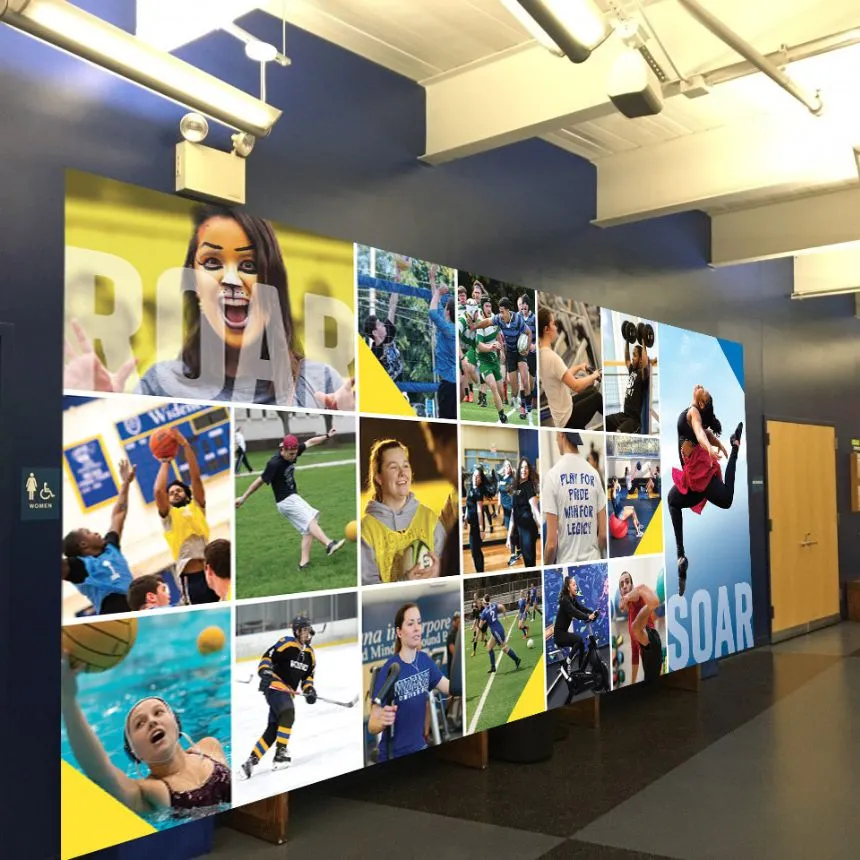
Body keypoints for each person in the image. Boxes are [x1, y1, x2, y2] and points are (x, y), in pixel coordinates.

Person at [65, 206, 353, 409]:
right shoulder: (160, 384)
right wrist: (104, 409)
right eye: (212, 262)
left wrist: (346, 416)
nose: (231, 280)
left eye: (249, 265)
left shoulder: (320, 382)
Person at [62, 657, 230, 813]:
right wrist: (68, 699)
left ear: (176, 724)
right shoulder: (150, 792)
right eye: (139, 724)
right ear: (134, 753)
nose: (151, 721)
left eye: (158, 712)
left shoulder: (210, 747)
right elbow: (99, 771)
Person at [668, 385, 743, 596]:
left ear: (701, 403)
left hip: (700, 474)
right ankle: (681, 557)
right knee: (672, 500)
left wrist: (712, 447)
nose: (701, 387)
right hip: (693, 476)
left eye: (705, 392)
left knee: (727, 499)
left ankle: (736, 446)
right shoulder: (695, 413)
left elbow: (701, 432)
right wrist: (717, 444)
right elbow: (705, 432)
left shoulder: (693, 412)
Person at [236, 430, 345, 571]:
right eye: (291, 454)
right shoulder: (274, 463)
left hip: (292, 497)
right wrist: (243, 497)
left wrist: (327, 436)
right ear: (283, 450)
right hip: (286, 500)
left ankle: (304, 564)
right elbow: (259, 481)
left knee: (308, 529)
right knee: (310, 520)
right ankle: (329, 544)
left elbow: (310, 442)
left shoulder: (294, 450)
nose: (293, 456)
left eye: (295, 453)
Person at [368, 603, 450, 762]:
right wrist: (382, 722)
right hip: (393, 755)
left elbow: (449, 687)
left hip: (420, 747)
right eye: (410, 624)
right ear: (399, 632)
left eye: (419, 622)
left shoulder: (425, 661)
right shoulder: (390, 669)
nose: (417, 628)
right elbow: (372, 725)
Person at [240, 615, 317, 778]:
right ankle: (281, 753)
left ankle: (251, 761)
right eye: (304, 630)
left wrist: (310, 690)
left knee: (274, 729)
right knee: (288, 712)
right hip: (275, 685)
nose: (307, 633)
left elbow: (308, 677)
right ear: (296, 631)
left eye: (308, 630)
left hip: (288, 693)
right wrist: (265, 671)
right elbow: (267, 657)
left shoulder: (310, 654)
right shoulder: (286, 643)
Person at [361, 439, 446, 584]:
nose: (402, 473)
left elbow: (449, 569)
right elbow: (369, 588)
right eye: (393, 467)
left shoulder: (429, 518)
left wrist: (440, 572)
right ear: (379, 478)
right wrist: (405, 582)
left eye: (405, 465)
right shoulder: (367, 530)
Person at [62, 458, 137, 616]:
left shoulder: (111, 547)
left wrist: (125, 483)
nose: (96, 533)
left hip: (136, 607)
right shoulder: (79, 566)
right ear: (83, 544)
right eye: (89, 532)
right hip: (113, 614)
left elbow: (119, 513)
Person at [154, 428, 218, 605]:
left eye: (179, 490)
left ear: (187, 495)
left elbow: (195, 478)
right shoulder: (168, 516)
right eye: (171, 493)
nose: (175, 493)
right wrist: (166, 461)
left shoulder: (197, 506)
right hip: (191, 579)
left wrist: (185, 445)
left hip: (211, 572)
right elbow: (158, 491)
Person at [543, 432, 607, 565]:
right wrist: (598, 553)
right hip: (593, 560)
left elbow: (551, 545)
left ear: (561, 435)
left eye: (556, 437)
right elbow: (603, 535)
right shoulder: (594, 474)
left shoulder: (552, 476)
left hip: (567, 563)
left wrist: (546, 567)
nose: (556, 441)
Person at [537, 307, 603, 429]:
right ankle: (615, 426)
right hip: (567, 419)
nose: (556, 327)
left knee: (592, 391)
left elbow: (562, 375)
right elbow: (576, 386)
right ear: (546, 329)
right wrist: (594, 376)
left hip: (562, 412)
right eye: (553, 324)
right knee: (597, 398)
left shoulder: (541, 354)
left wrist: (579, 367)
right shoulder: (552, 358)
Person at [474, 297, 531, 421]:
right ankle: (514, 399)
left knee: (525, 381)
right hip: (509, 353)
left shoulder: (518, 319)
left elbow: (528, 333)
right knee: (513, 387)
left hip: (520, 352)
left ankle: (525, 408)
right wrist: (474, 326)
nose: (500, 314)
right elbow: (487, 322)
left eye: (502, 311)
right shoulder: (499, 319)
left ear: (508, 310)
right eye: (499, 311)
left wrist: (526, 349)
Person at [618, 571, 662, 683]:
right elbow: (635, 654)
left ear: (632, 585)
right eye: (622, 584)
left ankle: (652, 605)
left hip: (651, 638)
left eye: (627, 582)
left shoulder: (637, 598)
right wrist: (632, 682)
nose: (624, 586)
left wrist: (627, 597)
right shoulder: (630, 616)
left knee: (635, 627)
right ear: (620, 591)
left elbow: (637, 593)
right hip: (646, 656)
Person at [427, 266, 458, 419]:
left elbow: (432, 312)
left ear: (448, 312)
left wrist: (439, 292)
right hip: (451, 384)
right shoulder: (449, 326)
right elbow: (437, 305)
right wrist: (432, 279)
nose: (443, 308)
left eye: (445, 307)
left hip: (449, 386)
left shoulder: (449, 329)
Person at [553, 575, 598, 678]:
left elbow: (581, 607)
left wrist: (592, 612)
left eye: (576, 584)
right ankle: (567, 663)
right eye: (573, 585)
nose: (576, 586)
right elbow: (575, 612)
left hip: (563, 633)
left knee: (581, 644)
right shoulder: (565, 600)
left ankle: (581, 669)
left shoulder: (572, 599)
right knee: (578, 639)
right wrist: (588, 616)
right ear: (568, 588)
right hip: (559, 635)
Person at [474, 298, 508, 423]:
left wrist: (502, 351)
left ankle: (501, 409)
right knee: (493, 386)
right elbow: (479, 346)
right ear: (482, 308)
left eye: (490, 306)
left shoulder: (495, 319)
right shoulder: (480, 324)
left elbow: (498, 336)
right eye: (486, 306)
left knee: (501, 391)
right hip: (483, 360)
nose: (489, 308)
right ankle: (502, 416)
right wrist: (491, 347)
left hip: (494, 359)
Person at [605, 338, 650, 434]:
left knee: (619, 432)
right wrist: (627, 341)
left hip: (633, 421)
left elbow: (645, 363)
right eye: (632, 355)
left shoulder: (642, 374)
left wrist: (643, 341)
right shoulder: (632, 371)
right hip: (624, 415)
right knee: (606, 421)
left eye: (635, 355)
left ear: (640, 360)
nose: (632, 358)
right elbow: (627, 360)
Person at [508, 457, 541, 569]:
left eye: (526, 467)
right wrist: (509, 536)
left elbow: (535, 509)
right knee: (527, 561)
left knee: (530, 562)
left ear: (529, 470)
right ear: (518, 469)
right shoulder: (516, 488)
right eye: (522, 467)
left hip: (528, 529)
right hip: (520, 529)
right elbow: (513, 512)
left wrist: (541, 526)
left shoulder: (528, 486)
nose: (524, 470)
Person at [364, 290, 402, 383]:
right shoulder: (374, 355)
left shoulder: (388, 333)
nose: (382, 324)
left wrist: (396, 284)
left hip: (402, 385)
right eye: (379, 324)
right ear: (375, 333)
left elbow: (392, 307)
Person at [480, 595, 521, 674]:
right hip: (498, 629)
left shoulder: (484, 612)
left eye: (482, 601)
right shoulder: (494, 605)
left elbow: (481, 626)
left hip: (496, 632)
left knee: (504, 648)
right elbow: (501, 606)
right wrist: (504, 616)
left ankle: (517, 659)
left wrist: (482, 622)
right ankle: (493, 667)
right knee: (489, 647)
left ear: (484, 602)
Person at [517, 294, 538, 413]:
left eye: (525, 306)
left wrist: (535, 345)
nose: (523, 308)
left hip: (532, 353)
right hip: (522, 353)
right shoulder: (517, 317)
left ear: (528, 306)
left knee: (531, 382)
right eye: (522, 306)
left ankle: (527, 402)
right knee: (523, 379)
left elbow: (540, 336)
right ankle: (523, 406)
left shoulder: (534, 318)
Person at [497, 460, 520, 566]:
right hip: (505, 509)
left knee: (510, 531)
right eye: (506, 466)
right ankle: (519, 550)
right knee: (514, 531)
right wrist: (498, 505)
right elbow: (500, 492)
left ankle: (513, 555)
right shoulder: (502, 479)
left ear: (511, 468)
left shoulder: (511, 479)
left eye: (509, 466)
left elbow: (516, 492)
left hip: (511, 508)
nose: (508, 468)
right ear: (504, 468)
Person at [463, 468, 486, 573]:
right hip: (472, 524)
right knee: (475, 551)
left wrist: (481, 530)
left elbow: (479, 511)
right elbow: (468, 505)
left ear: (481, 479)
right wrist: (465, 519)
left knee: (475, 551)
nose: (475, 478)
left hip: (477, 525)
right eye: (474, 475)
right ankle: (480, 571)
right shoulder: (471, 488)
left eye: (478, 476)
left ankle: (480, 572)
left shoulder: (479, 491)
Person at [446, 612, 460, 677]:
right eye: (457, 622)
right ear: (454, 622)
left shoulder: (459, 634)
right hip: (454, 669)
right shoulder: (451, 635)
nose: (459, 624)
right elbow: (454, 652)